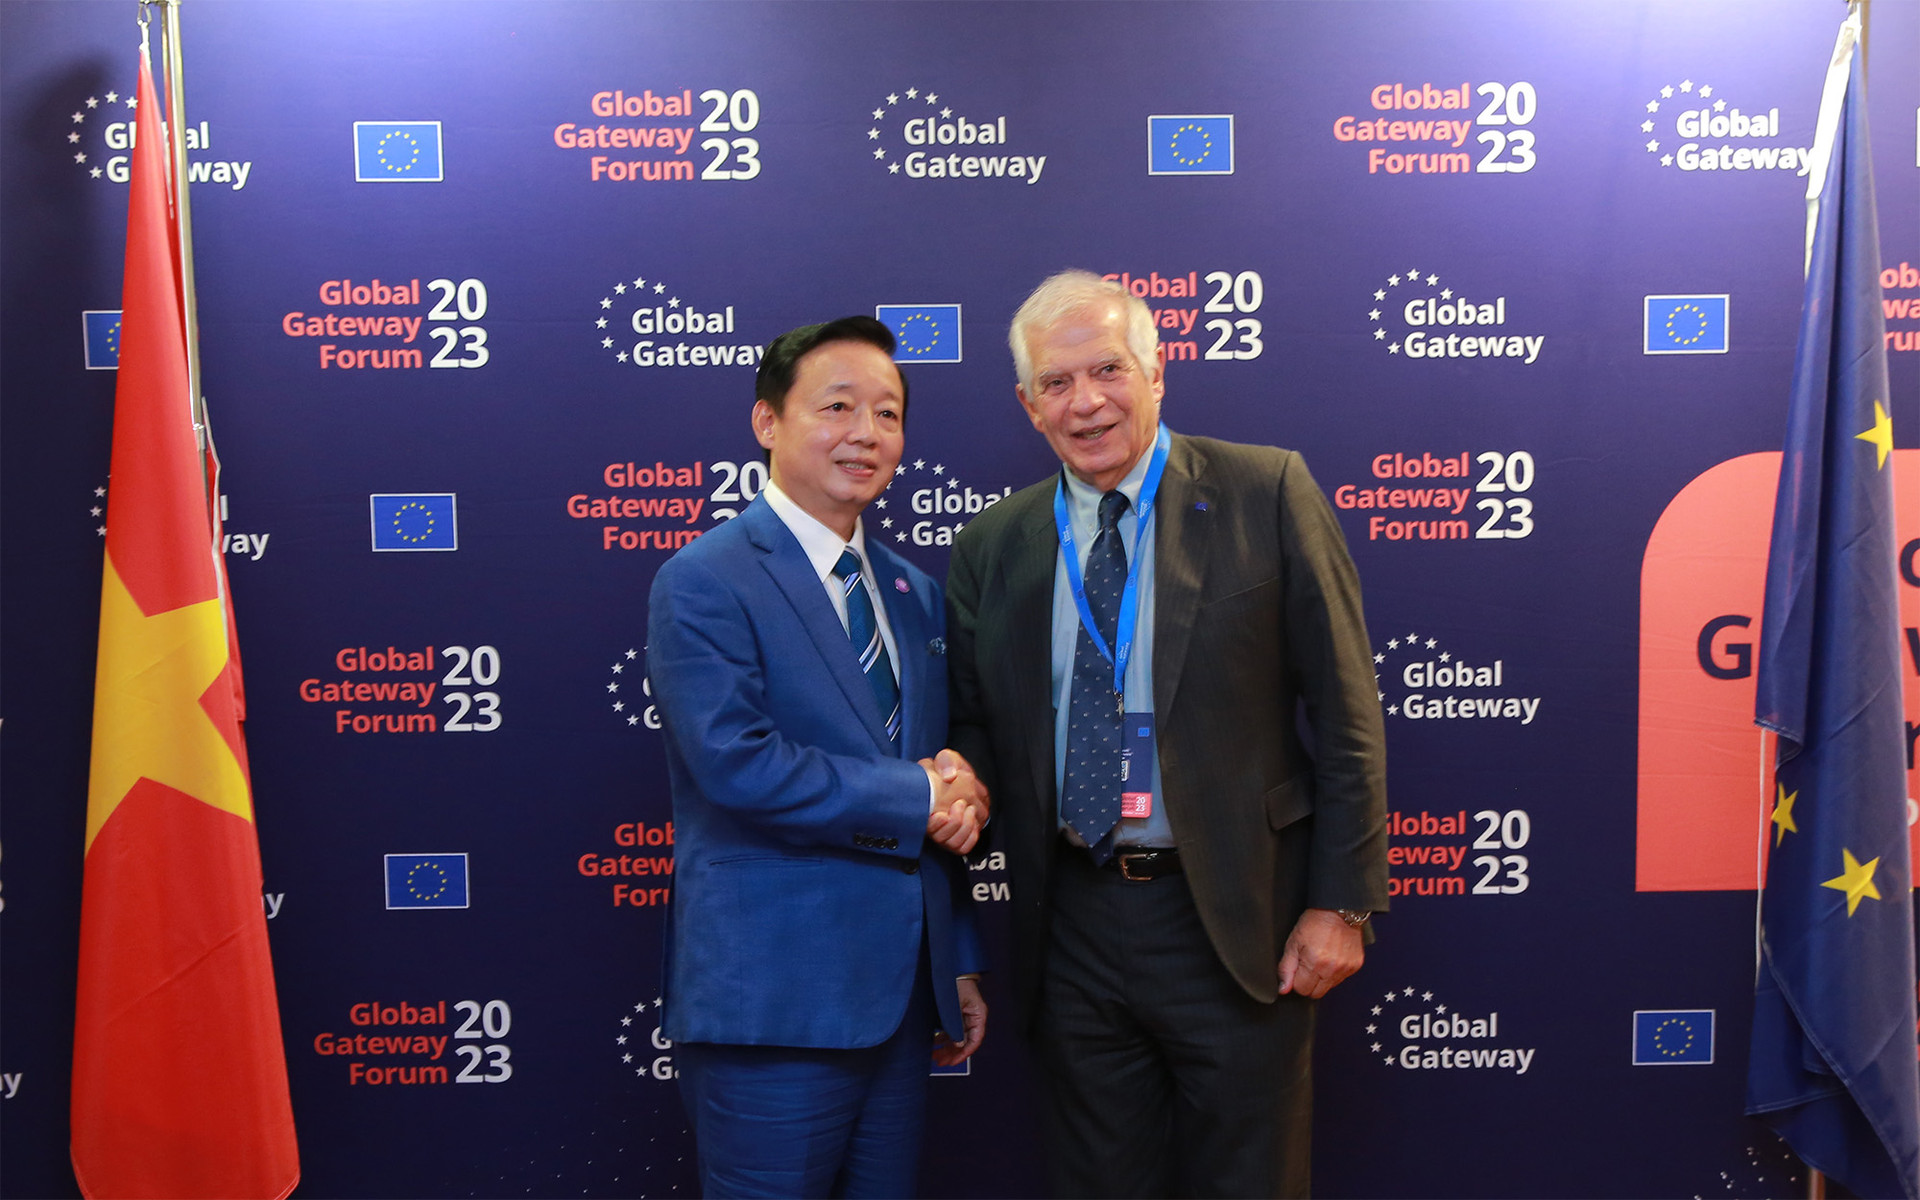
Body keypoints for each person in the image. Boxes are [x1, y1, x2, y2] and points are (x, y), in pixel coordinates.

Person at [945, 271, 1388, 1198]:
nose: (1086, 402)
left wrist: (1342, 904)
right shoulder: (993, 543)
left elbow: (1348, 711)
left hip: (1235, 920)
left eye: (1108, 369)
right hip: (1069, 925)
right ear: (1028, 406)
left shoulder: (1266, 490)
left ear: (1156, 371)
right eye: (1057, 383)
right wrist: (959, 783)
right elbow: (979, 724)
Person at [647, 316, 990, 1198]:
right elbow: (737, 763)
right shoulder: (705, 578)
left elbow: (940, 772)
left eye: (887, 413)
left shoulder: (915, 594)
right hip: (775, 1004)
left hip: (903, 1003)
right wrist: (919, 794)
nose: (865, 433)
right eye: (837, 407)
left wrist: (953, 957)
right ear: (768, 421)